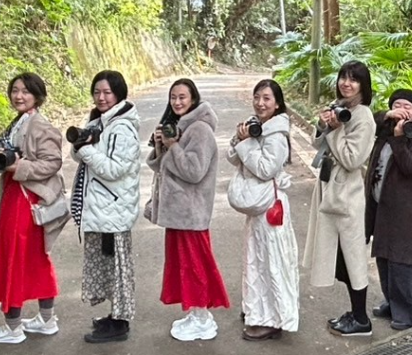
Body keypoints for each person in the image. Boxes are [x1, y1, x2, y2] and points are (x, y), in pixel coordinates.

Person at [0, 73, 66, 344]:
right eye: (15, 90)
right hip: (18, 197)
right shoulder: (20, 121)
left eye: (25, 92)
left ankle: (13, 327)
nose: (18, 96)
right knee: (34, 259)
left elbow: (52, 163)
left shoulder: (40, 125)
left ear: (37, 96)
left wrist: (19, 167)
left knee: (15, 259)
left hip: (25, 201)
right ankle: (46, 318)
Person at [146, 78, 230, 341]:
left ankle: (203, 317)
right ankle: (196, 313)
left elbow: (194, 171)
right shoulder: (180, 128)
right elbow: (161, 167)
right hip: (179, 212)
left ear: (193, 99)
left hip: (192, 212)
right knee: (184, 265)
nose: (177, 102)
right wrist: (162, 144)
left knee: (195, 266)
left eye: (182, 97)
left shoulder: (200, 130)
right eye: (173, 97)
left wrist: (173, 147)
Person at [303, 60, 377, 337]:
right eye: (343, 77)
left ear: (363, 85)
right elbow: (317, 144)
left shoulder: (363, 117)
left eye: (353, 79)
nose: (346, 83)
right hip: (331, 191)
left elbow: (351, 159)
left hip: (347, 197)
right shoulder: (341, 108)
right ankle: (355, 314)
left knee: (353, 259)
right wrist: (323, 125)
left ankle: (361, 320)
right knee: (340, 259)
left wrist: (335, 130)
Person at [69, 70, 143, 344]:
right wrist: (82, 145)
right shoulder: (99, 121)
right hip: (102, 208)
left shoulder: (122, 127)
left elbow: (115, 169)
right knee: (106, 265)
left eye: (107, 93)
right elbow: (75, 153)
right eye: (97, 92)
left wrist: (86, 150)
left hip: (113, 210)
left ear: (119, 94)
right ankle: (113, 316)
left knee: (118, 268)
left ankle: (120, 322)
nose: (101, 97)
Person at [226, 79, 299, 341]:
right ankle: (257, 311)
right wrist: (240, 138)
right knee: (256, 260)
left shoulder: (277, 134)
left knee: (272, 263)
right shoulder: (256, 126)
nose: (260, 103)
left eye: (267, 98)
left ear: (277, 103)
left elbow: (266, 169)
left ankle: (273, 319)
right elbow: (233, 158)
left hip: (271, 208)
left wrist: (247, 144)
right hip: (259, 209)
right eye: (257, 97)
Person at [365, 89, 412, 331]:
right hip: (382, 202)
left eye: (408, 107)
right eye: (398, 105)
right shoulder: (384, 129)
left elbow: (410, 167)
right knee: (383, 254)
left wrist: (400, 138)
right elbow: (368, 119)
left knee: (401, 257)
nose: (403, 110)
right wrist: (388, 118)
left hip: (406, 207)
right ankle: (392, 303)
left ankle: (409, 313)